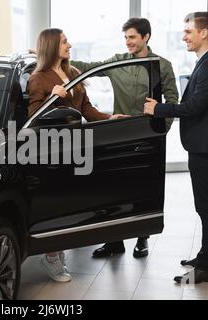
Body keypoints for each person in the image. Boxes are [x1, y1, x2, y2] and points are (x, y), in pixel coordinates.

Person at [71, 17, 179, 259]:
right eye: (126, 38)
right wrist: (60, 60)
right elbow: (88, 67)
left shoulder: (162, 65)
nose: (128, 42)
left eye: (132, 37)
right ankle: (114, 242)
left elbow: (172, 101)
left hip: (147, 136)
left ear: (145, 37)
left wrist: (160, 131)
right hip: (118, 134)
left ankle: (142, 239)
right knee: (114, 187)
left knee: (143, 187)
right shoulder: (118, 61)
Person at [27, 28, 127, 282]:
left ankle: (57, 251)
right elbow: (32, 118)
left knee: (73, 201)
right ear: (51, 46)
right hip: (55, 149)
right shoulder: (38, 78)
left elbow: (86, 108)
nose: (69, 45)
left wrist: (108, 117)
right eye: (64, 42)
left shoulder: (73, 73)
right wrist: (51, 98)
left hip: (79, 147)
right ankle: (51, 258)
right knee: (58, 202)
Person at [144, 12, 208, 284]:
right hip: (202, 144)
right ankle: (205, 258)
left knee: (207, 205)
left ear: (204, 33)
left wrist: (159, 109)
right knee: (205, 204)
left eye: (188, 32)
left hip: (206, 145)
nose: (184, 37)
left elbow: (194, 107)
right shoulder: (206, 62)